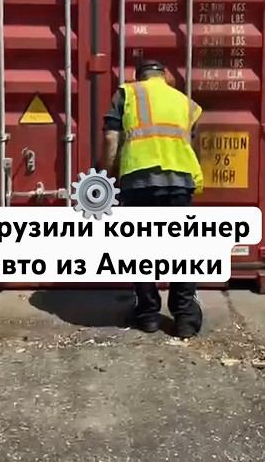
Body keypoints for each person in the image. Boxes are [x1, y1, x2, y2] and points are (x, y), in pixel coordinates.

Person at [102, 58, 206, 338]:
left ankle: (147, 315)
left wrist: (108, 175)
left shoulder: (127, 93)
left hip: (139, 182)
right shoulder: (183, 101)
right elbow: (193, 145)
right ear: (165, 77)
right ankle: (184, 318)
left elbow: (111, 138)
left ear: (139, 77)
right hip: (179, 183)